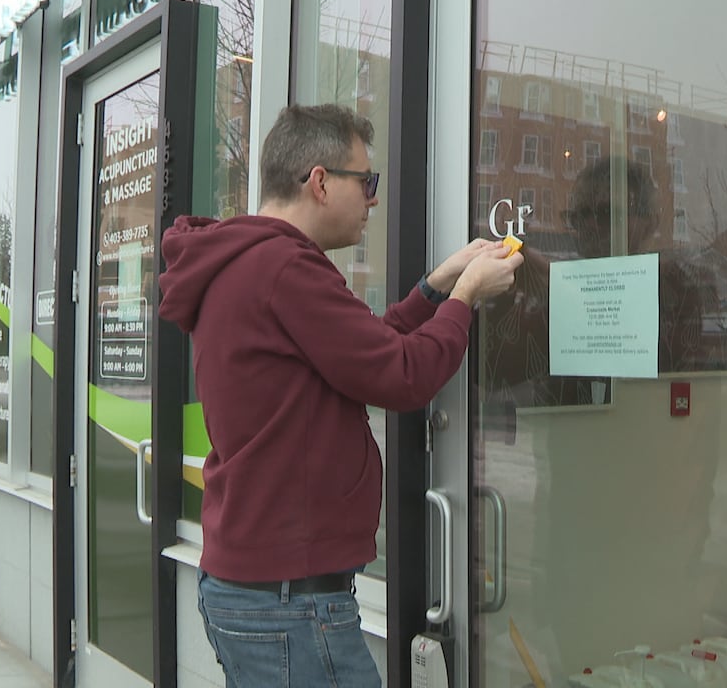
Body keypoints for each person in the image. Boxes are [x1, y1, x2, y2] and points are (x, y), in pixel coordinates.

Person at [158, 103, 522, 687]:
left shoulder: (250, 264)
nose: (374, 199)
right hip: (290, 602)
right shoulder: (284, 269)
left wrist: (437, 286)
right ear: (321, 182)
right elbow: (402, 375)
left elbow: (364, 351)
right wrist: (468, 298)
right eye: (367, 181)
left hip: (256, 586)